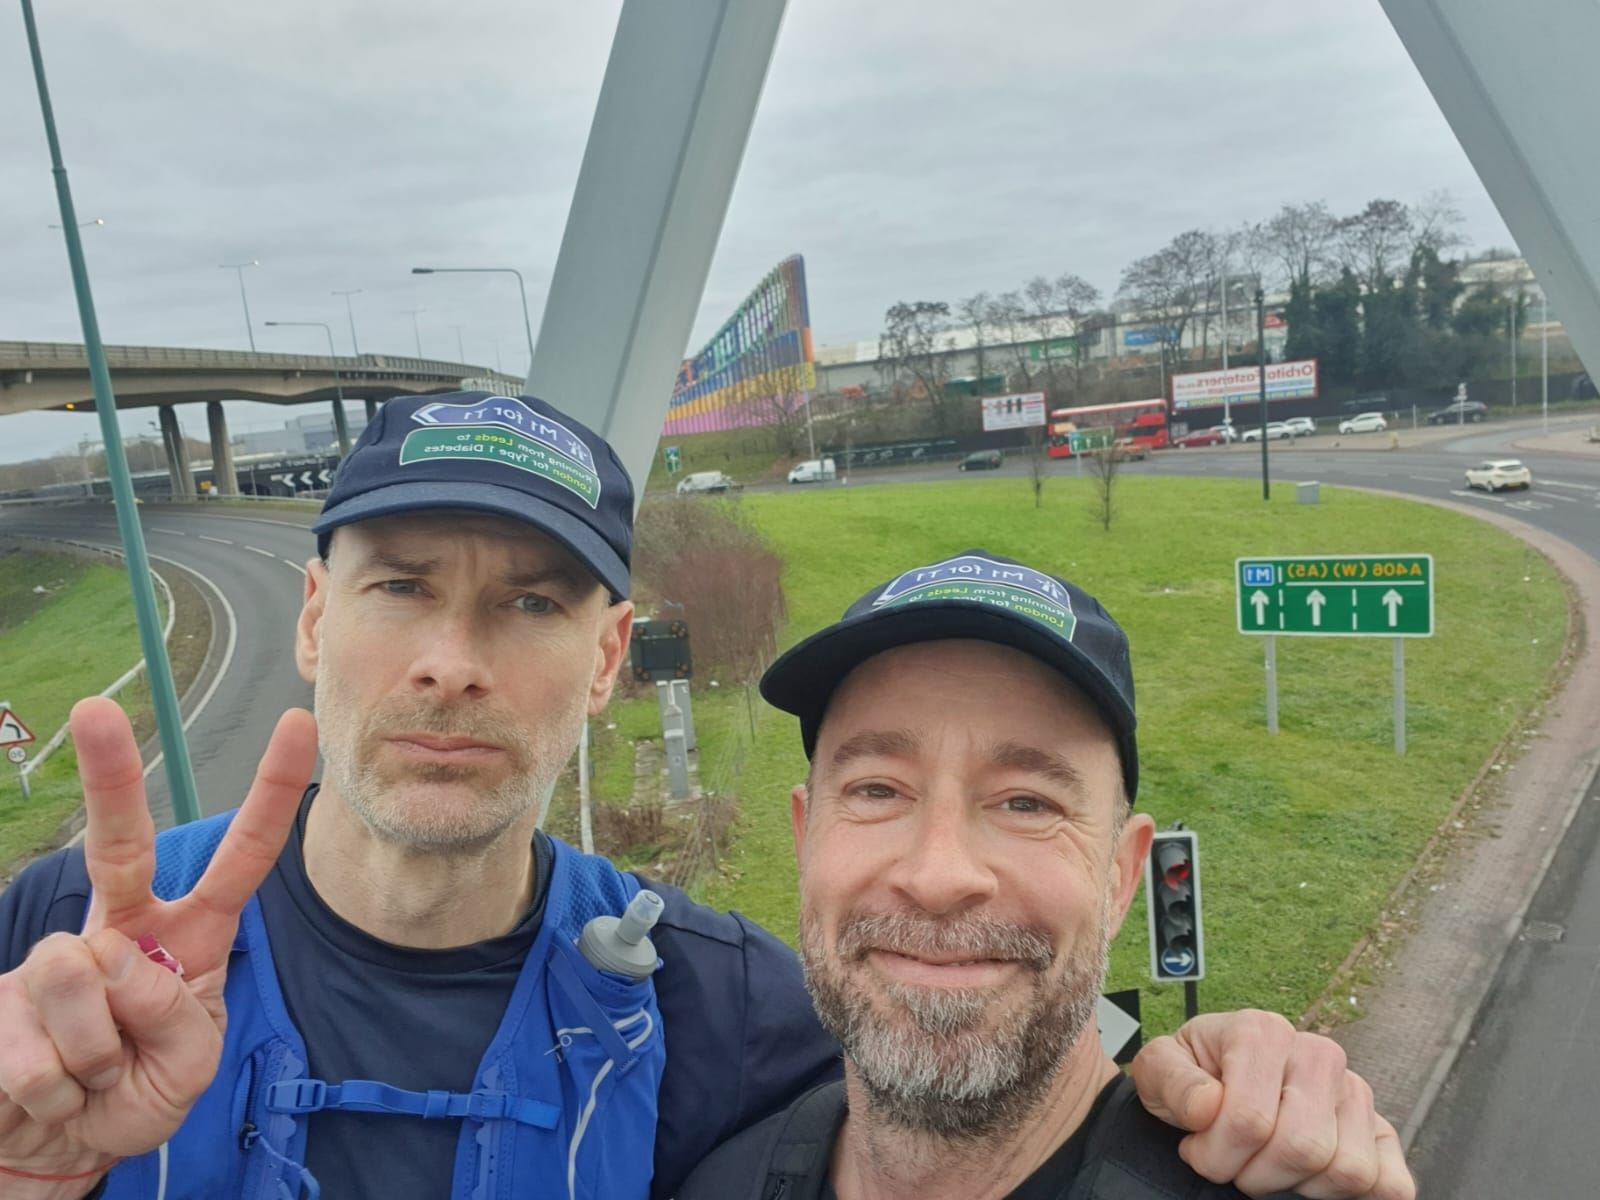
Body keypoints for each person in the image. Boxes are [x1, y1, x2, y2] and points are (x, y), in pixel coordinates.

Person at [0, 395, 1403, 1200]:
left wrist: (1232, 1066)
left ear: (609, 656)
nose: (450, 664)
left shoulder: (722, 1007)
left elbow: (988, 1030)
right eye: (399, 587)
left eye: (531, 604)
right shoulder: (65, 947)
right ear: (311, 618)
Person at [678, 550, 1414, 1200]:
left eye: (1028, 802)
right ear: (806, 838)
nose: (939, 876)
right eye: (877, 790)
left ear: (1121, 876)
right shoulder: (716, 1178)